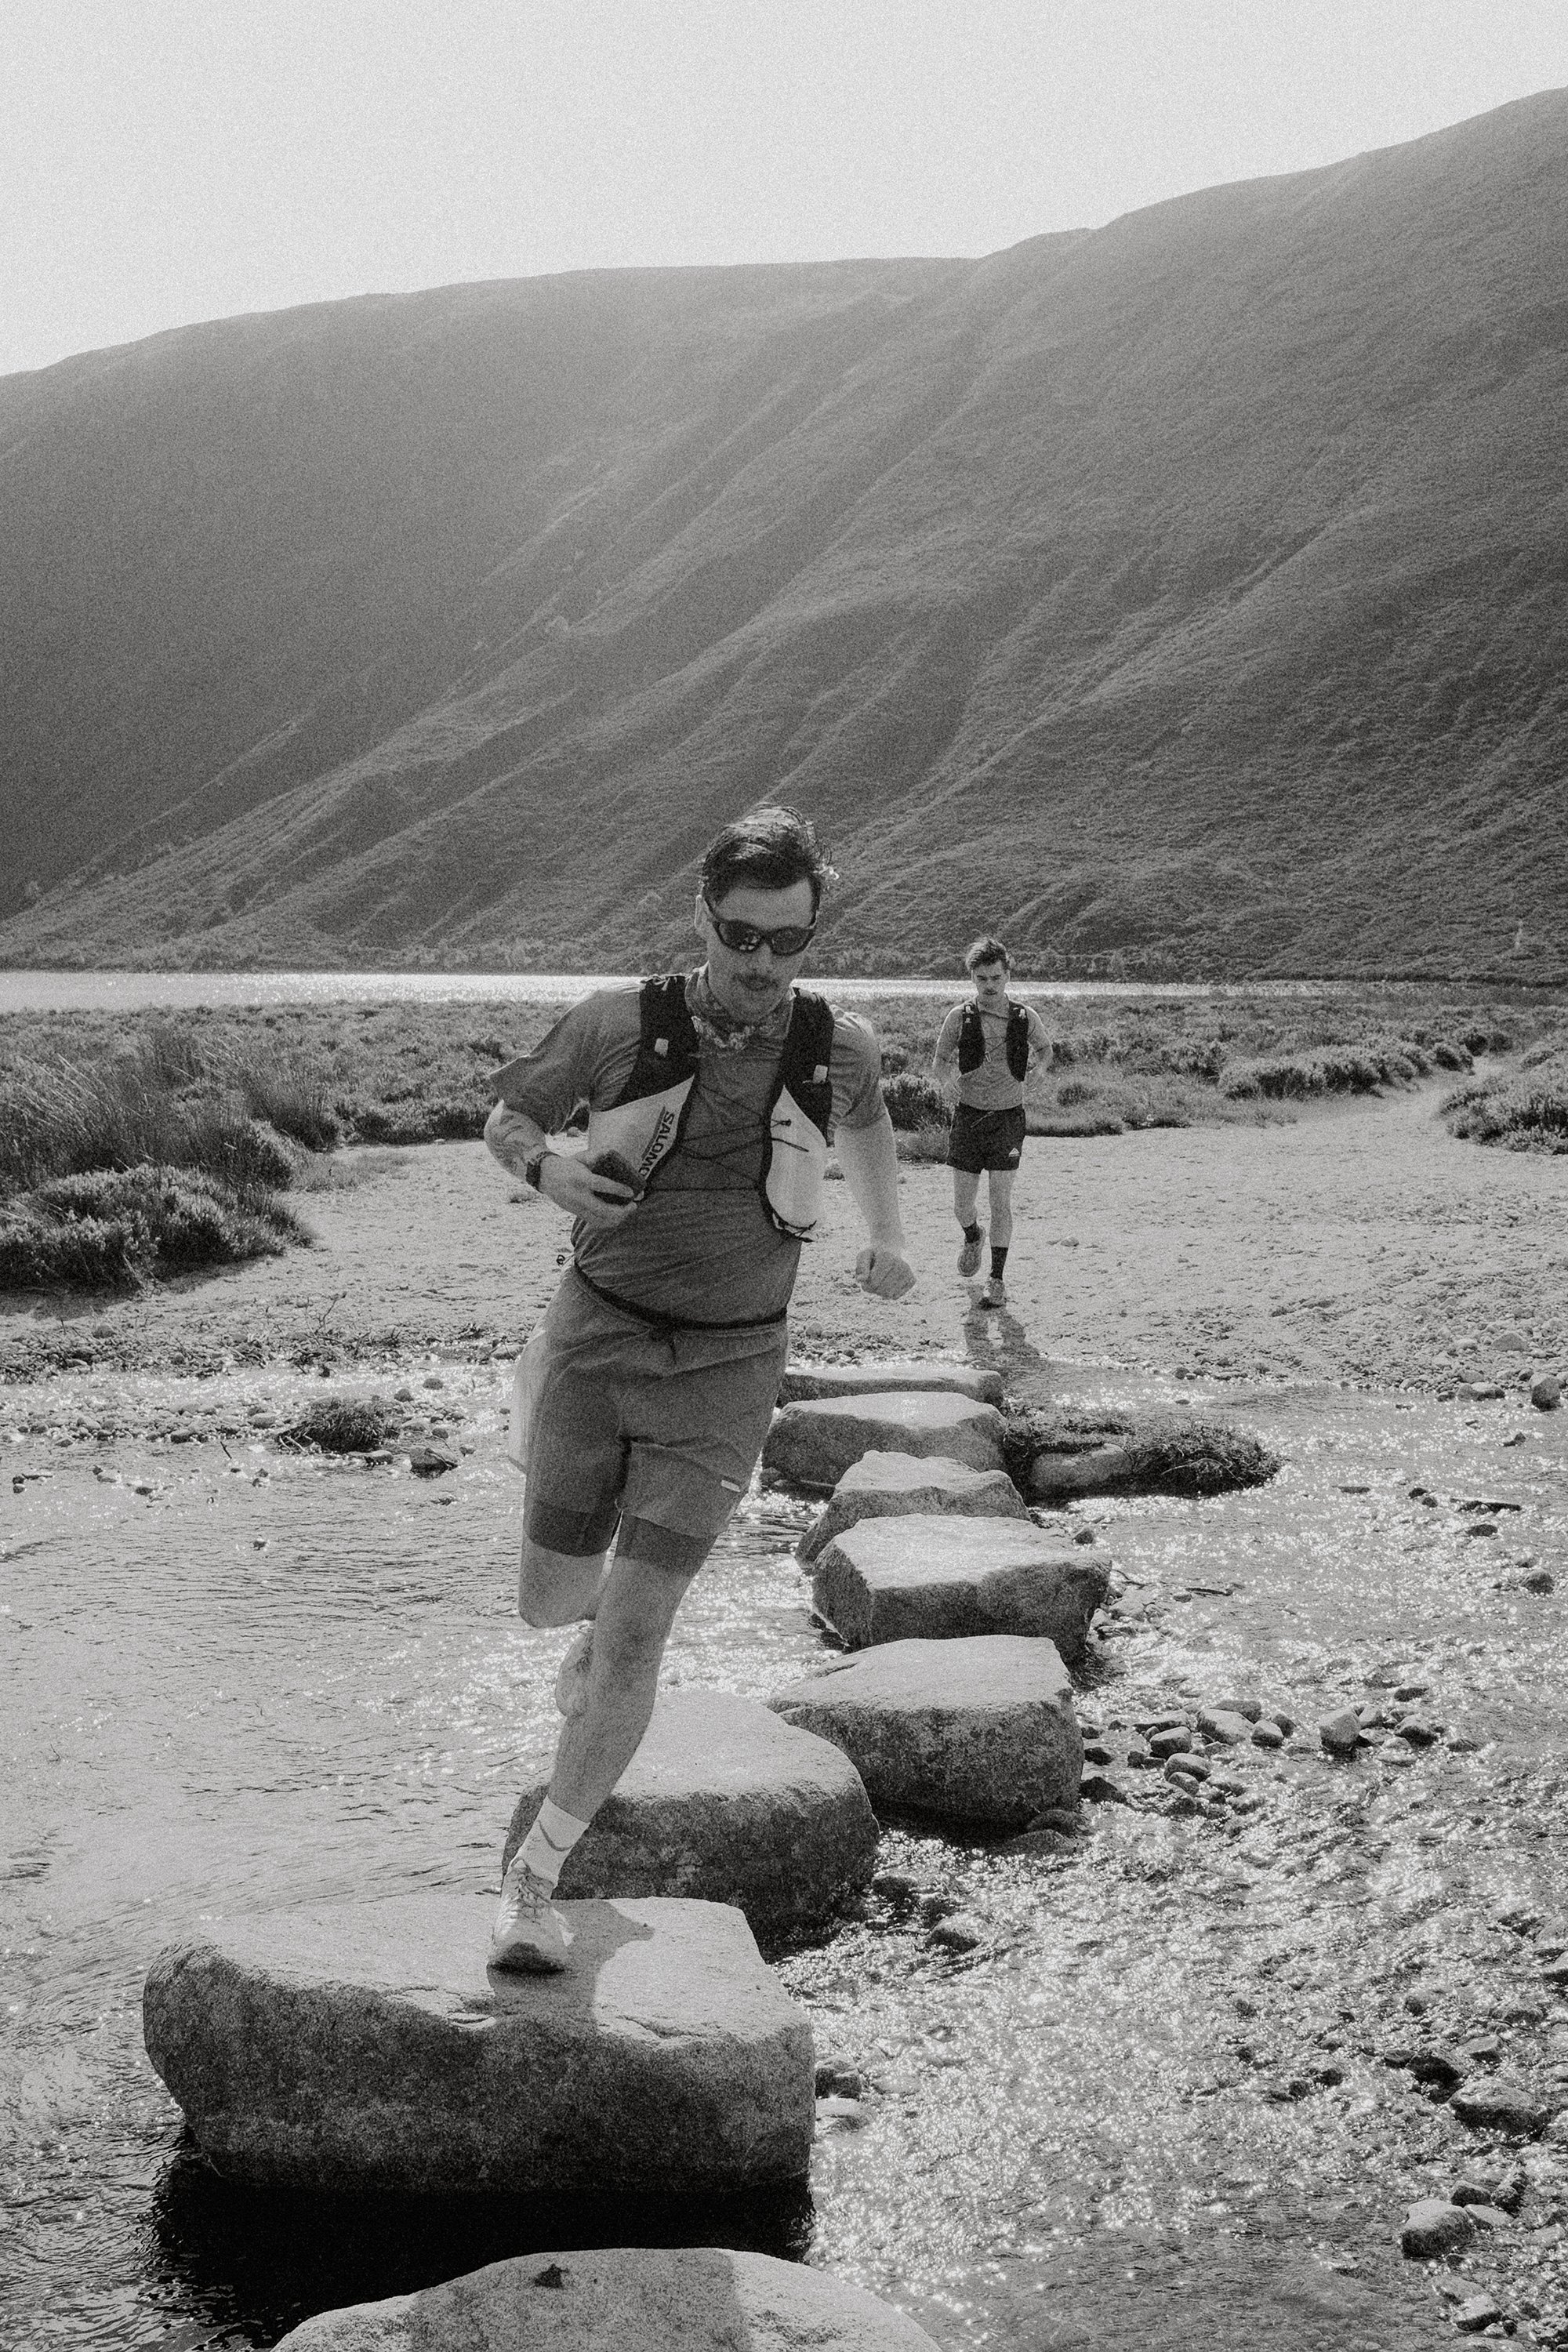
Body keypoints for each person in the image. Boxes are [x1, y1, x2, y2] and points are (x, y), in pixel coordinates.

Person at [481, 806, 915, 1971]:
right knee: (553, 1606)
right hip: (595, 1345)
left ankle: (537, 1884)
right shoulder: (619, 1022)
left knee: (636, 1627)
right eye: (741, 937)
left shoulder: (839, 1044)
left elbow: (868, 1128)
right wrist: (550, 1170)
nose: (763, 965)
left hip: (731, 1366)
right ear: (702, 918)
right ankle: (583, 1658)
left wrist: (886, 1235)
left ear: (812, 935)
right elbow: (507, 1116)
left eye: (789, 941)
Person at [931, 936, 1051, 1308]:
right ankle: (972, 1235)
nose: (989, 985)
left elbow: (1046, 1050)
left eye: (995, 977)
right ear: (972, 978)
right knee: (962, 1206)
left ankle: (997, 1280)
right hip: (968, 1116)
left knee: (1001, 1201)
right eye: (982, 978)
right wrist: (945, 1080)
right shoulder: (959, 1016)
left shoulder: (1024, 1017)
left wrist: (1041, 1069)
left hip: (1008, 1119)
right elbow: (940, 1061)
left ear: (1007, 976)